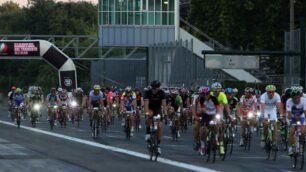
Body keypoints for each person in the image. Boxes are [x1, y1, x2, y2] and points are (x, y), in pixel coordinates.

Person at [192, 86, 221, 155]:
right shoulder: (200, 99)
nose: (205, 96)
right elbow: (201, 109)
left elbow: (218, 109)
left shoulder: (214, 99)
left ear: (209, 93)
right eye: (203, 94)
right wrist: (196, 116)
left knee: (217, 125)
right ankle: (201, 145)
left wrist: (217, 117)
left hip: (213, 114)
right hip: (205, 115)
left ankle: (216, 138)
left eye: (207, 94)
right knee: (201, 128)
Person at [144, 80, 167, 154]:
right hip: (150, 108)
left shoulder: (162, 93)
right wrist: (147, 113)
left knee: (160, 126)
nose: (155, 90)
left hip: (157, 109)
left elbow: (164, 104)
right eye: (153, 88)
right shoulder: (148, 92)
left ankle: (158, 145)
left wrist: (165, 114)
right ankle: (148, 132)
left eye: (156, 88)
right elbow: (146, 104)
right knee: (149, 116)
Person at [286, 87, 306, 155]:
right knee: (292, 131)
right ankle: (290, 148)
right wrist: (291, 121)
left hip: (301, 116)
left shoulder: (304, 100)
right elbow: (289, 114)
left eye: (298, 98)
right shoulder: (289, 101)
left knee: (303, 132)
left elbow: (305, 112)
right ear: (292, 97)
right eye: (295, 98)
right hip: (292, 117)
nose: (297, 100)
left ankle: (301, 145)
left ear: (300, 96)